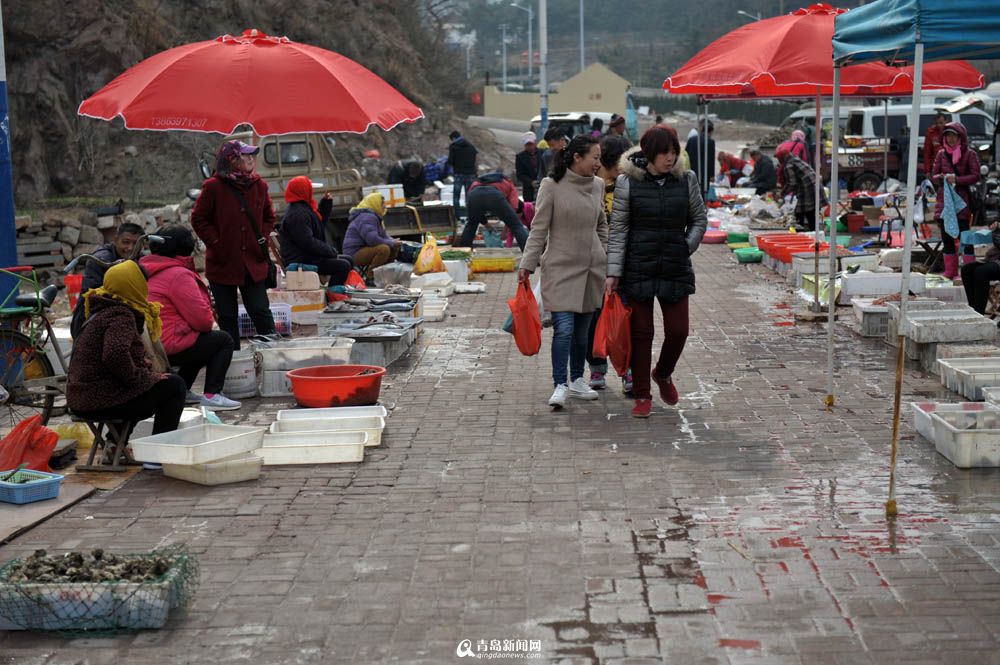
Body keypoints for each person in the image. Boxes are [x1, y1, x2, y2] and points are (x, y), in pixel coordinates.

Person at [607, 125, 707, 418]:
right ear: (649, 153)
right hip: (638, 266)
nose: (671, 158)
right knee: (642, 333)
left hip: (674, 265)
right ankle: (641, 394)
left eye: (674, 152)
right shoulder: (627, 182)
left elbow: (699, 219)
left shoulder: (686, 179)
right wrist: (613, 273)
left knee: (679, 330)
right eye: (665, 153)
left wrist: (684, 245)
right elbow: (619, 229)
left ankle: (662, 373)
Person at [518, 134, 608, 408]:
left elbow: (602, 224)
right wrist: (527, 264)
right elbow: (539, 229)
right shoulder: (552, 185)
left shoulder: (598, 186)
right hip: (559, 267)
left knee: (582, 332)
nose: (598, 163)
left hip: (591, 269)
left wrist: (602, 251)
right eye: (594, 157)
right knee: (564, 329)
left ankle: (577, 380)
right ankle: (560, 384)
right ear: (577, 157)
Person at [67, 260, 186, 438]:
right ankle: (157, 454)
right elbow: (115, 354)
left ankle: (114, 444)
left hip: (81, 398)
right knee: (175, 386)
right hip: (95, 400)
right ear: (134, 286)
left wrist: (141, 372)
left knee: (145, 382)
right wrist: (140, 378)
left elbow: (116, 355)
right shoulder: (121, 315)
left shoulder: (102, 307)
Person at [140, 225, 241, 411]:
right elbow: (203, 320)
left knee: (198, 339)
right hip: (166, 344)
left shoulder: (146, 269)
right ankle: (212, 394)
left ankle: (183, 390)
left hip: (151, 342)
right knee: (222, 340)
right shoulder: (177, 274)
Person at [191, 140, 277, 350]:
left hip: (253, 262)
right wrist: (216, 242)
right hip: (222, 262)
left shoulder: (259, 186)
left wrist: (262, 238)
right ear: (231, 160)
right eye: (244, 155)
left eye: (251, 155)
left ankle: (273, 354)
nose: (251, 159)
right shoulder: (213, 187)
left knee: (260, 310)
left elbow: (269, 217)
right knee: (227, 316)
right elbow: (199, 218)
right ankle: (233, 359)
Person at [587, 135, 633, 393]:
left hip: (625, 263)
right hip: (595, 262)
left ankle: (628, 370)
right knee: (593, 319)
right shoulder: (591, 186)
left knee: (624, 320)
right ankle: (597, 368)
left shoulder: (629, 185)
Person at [70, 221, 143, 339]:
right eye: (125, 242)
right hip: (94, 318)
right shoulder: (101, 261)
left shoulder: (139, 259)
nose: (130, 248)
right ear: (115, 240)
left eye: (136, 243)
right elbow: (95, 298)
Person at [278, 176, 353, 286]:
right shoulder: (298, 214)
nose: (311, 192)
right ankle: (333, 296)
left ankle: (335, 293)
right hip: (301, 259)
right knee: (343, 265)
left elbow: (318, 225)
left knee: (348, 260)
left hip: (306, 256)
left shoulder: (302, 208)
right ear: (303, 191)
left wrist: (326, 204)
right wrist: (329, 251)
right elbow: (307, 242)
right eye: (309, 189)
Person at [932, 121, 980, 278]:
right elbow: (934, 175)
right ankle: (950, 272)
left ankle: (969, 271)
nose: (951, 139)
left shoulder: (970, 154)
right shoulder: (941, 154)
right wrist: (942, 178)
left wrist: (957, 180)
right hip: (944, 203)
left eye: (954, 136)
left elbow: (975, 176)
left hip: (962, 204)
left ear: (961, 137)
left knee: (965, 238)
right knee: (947, 238)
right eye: (948, 136)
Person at [456, 172, 529, 251]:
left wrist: (486, 224)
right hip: (494, 195)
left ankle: (463, 253)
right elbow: (514, 206)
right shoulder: (508, 182)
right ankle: (529, 255)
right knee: (516, 225)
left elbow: (475, 211)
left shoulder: (476, 182)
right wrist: (508, 225)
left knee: (471, 224)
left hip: (474, 195)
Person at [342, 193, 401, 273]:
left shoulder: (375, 216)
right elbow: (372, 240)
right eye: (382, 203)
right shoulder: (367, 217)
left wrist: (393, 241)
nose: (385, 206)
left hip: (363, 248)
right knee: (384, 249)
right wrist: (391, 242)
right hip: (354, 253)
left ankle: (386, 273)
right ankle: (371, 276)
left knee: (394, 246)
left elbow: (384, 235)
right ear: (375, 204)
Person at [776, 146, 826, 231]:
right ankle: (813, 234)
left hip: (807, 189)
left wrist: (782, 193)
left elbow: (792, 183)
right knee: (810, 213)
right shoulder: (796, 160)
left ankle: (802, 235)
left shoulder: (789, 165)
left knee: (800, 214)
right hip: (815, 187)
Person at [960, 224, 1000, 315]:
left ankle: (978, 312)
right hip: (996, 258)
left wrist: (995, 233)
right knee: (966, 270)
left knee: (981, 272)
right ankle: (972, 308)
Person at [447, 131, 478, 216]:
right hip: (471, 174)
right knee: (469, 196)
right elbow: (474, 160)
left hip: (459, 174)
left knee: (456, 196)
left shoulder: (453, 147)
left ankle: (458, 217)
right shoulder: (471, 146)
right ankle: (470, 216)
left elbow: (450, 161)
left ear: (453, 138)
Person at [685, 120, 715, 193]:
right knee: (702, 192)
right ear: (710, 132)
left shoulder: (691, 139)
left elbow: (686, 154)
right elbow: (711, 159)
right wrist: (712, 175)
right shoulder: (710, 142)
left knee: (691, 190)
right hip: (704, 172)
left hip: (691, 169)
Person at [516, 132, 542, 202]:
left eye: (531, 144)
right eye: (527, 145)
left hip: (543, 188)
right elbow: (520, 174)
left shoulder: (542, 153)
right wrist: (531, 182)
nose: (530, 147)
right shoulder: (520, 157)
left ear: (535, 143)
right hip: (529, 191)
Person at [924, 112, 948, 178]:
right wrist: (927, 171)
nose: (939, 125)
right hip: (935, 167)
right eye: (937, 123)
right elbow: (927, 153)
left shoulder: (951, 132)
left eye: (941, 123)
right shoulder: (931, 133)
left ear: (946, 121)